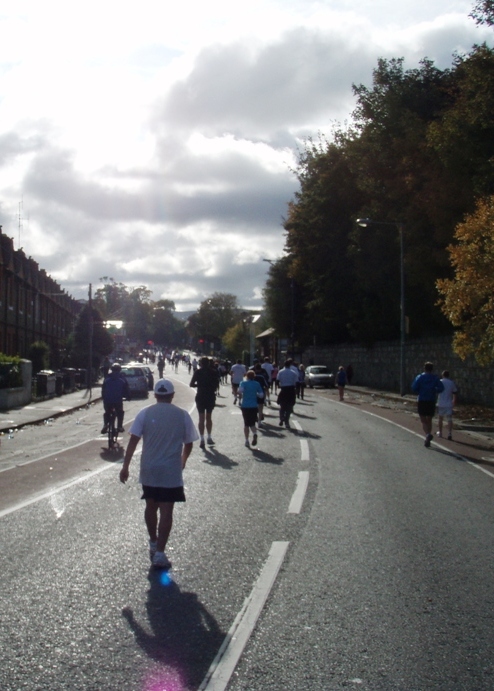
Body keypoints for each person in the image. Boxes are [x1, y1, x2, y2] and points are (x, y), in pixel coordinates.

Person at [119, 378, 199, 570]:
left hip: (149, 468)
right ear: (172, 395)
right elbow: (189, 442)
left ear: (155, 395)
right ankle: (161, 552)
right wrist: (183, 460)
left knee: (150, 505)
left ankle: (153, 541)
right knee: (166, 511)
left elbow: (133, 440)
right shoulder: (182, 415)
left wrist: (126, 466)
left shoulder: (144, 413)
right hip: (170, 470)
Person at [411, 362, 444, 447]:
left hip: (422, 399)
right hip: (431, 400)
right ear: (432, 369)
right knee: (429, 419)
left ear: (424, 368)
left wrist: (420, 391)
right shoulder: (435, 378)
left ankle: (427, 434)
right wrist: (434, 390)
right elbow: (441, 388)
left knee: (423, 419)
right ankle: (427, 436)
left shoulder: (420, 377)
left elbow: (414, 387)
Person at [189, 357, 220, 448]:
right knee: (209, 417)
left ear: (201, 364)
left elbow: (191, 384)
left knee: (201, 417)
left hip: (200, 395)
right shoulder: (213, 372)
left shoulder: (198, 372)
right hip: (210, 396)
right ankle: (209, 437)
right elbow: (216, 384)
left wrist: (199, 384)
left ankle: (202, 439)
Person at [101, 363, 130, 434]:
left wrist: (103, 397)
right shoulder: (122, 378)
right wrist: (128, 397)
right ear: (119, 370)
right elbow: (126, 389)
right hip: (118, 400)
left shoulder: (107, 377)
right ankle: (119, 426)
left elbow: (103, 389)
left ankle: (105, 424)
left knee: (107, 412)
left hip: (107, 400)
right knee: (120, 412)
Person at [238, 370, 264, 447]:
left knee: (246, 423)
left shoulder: (243, 383)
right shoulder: (257, 384)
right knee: (252, 423)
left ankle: (246, 440)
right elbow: (261, 395)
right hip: (254, 406)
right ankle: (255, 433)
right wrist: (256, 393)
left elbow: (240, 391)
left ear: (246, 376)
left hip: (245, 406)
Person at [276, 359, 299, 428]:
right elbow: (297, 382)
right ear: (290, 365)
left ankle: (281, 417)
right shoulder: (293, 372)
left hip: (284, 390)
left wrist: (279, 386)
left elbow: (277, 381)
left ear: (284, 365)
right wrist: (296, 390)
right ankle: (287, 422)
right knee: (289, 407)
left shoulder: (280, 372)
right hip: (291, 390)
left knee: (282, 406)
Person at [436, 370, 458, 441]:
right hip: (449, 403)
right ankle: (449, 433)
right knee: (449, 419)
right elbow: (454, 392)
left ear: (442, 375)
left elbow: (436, 391)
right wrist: (454, 400)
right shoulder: (451, 383)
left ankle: (440, 433)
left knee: (440, 418)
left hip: (441, 402)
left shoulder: (440, 382)